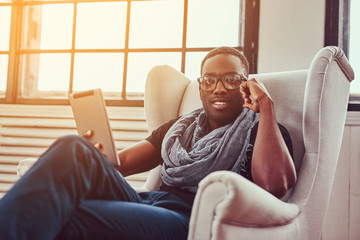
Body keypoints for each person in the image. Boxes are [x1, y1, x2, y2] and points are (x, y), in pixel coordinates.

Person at [0, 46, 296, 240]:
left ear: (246, 83)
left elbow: (275, 185)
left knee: (71, 214)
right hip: (148, 201)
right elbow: (122, 165)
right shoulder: (180, 129)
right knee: (73, 148)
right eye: (209, 80)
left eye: (231, 79)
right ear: (200, 86)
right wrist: (97, 149)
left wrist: (266, 105)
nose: (218, 88)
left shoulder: (264, 131)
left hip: (190, 218)